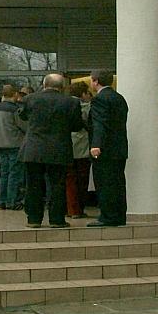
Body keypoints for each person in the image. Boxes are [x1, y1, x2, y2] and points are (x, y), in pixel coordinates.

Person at [19, 73, 83, 228]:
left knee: (33, 184)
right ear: (62, 86)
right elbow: (77, 125)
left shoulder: (30, 99)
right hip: (59, 149)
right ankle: (56, 219)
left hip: (34, 148)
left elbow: (23, 117)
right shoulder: (71, 102)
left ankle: (33, 219)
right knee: (58, 185)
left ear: (44, 84)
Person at [87, 69, 128, 228]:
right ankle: (119, 215)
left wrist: (96, 144)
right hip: (119, 148)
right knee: (118, 182)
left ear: (96, 81)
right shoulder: (119, 98)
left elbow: (99, 123)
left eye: (92, 80)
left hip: (105, 149)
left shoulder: (99, 99)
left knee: (104, 183)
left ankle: (107, 216)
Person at [0, 85, 26, 210]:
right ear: (15, 94)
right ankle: (12, 201)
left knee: (4, 173)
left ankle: (2, 199)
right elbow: (23, 126)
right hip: (14, 143)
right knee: (15, 174)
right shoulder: (15, 109)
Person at [66, 82, 92, 219]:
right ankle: (78, 209)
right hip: (83, 148)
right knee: (82, 181)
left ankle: (70, 208)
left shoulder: (64, 105)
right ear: (83, 94)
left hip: (67, 147)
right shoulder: (88, 108)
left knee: (69, 180)